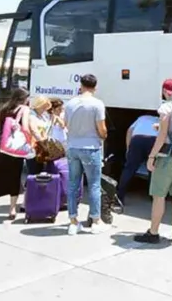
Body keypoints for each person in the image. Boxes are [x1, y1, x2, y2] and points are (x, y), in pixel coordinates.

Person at [135, 78, 172, 244]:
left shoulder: (166, 108)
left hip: (166, 158)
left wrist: (151, 156)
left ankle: (153, 232)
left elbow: (162, 137)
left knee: (159, 196)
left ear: (165, 92)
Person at [63, 74, 108, 235]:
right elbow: (101, 129)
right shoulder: (97, 104)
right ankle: (95, 221)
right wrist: (103, 135)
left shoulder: (70, 103)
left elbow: (65, 124)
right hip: (91, 147)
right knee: (94, 185)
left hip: (73, 147)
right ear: (95, 87)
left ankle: (73, 221)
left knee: (73, 184)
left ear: (80, 85)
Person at [0, 87, 32, 221]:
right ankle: (12, 210)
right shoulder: (24, 109)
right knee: (14, 176)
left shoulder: (4, 108)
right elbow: (26, 128)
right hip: (15, 148)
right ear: (24, 98)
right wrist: (29, 141)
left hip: (0, 146)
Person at [117, 111, 159, 205]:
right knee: (152, 169)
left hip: (137, 139)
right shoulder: (160, 119)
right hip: (153, 140)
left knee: (129, 169)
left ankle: (120, 197)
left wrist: (128, 148)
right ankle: (153, 196)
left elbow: (129, 130)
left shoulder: (141, 118)